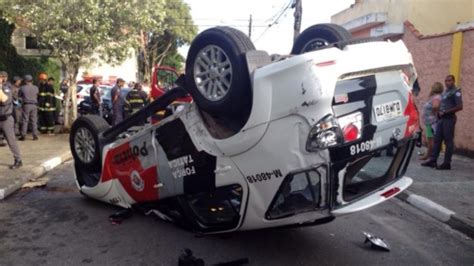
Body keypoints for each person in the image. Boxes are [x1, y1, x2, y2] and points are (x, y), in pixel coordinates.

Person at [422, 75, 463, 170]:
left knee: (448, 141)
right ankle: (433, 160)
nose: (447, 82)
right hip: (441, 118)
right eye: (445, 81)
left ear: (453, 81)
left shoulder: (456, 92)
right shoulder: (445, 91)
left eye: (449, 81)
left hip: (449, 118)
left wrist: (445, 112)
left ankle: (446, 163)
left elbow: (460, 106)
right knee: (437, 140)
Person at [0, 71, 22, 169]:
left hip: (6, 119)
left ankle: (18, 160)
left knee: (11, 140)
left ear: (4, 78)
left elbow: (4, 100)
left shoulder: (7, 88)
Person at [419, 82, 443, 161]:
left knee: (430, 140)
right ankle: (429, 154)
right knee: (430, 139)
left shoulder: (436, 97)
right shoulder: (435, 97)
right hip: (430, 122)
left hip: (431, 122)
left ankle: (429, 156)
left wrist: (434, 112)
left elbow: (435, 106)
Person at [19, 75, 39, 141]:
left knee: (25, 120)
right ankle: (35, 135)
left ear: (25, 81)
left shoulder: (22, 88)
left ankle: (23, 135)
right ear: (32, 81)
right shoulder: (36, 88)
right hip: (34, 105)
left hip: (26, 105)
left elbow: (19, 95)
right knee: (34, 120)